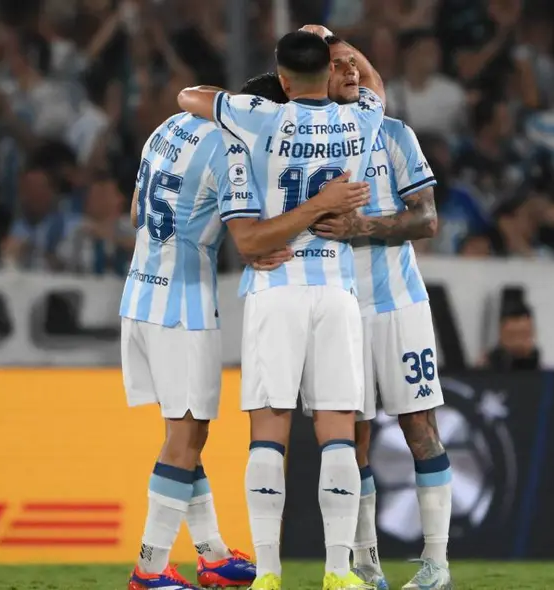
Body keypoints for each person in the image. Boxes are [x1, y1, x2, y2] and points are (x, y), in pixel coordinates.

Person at [123, 75, 368, 589]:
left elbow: (136, 212)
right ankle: (149, 568)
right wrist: (311, 210)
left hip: (138, 292)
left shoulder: (167, 129)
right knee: (185, 437)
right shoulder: (231, 148)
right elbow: (250, 238)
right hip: (182, 306)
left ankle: (211, 554)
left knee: (185, 434)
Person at [177, 29, 385, 590]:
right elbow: (376, 87)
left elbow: (189, 97)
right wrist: (337, 41)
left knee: (268, 434)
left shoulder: (258, 117)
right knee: (339, 431)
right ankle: (338, 573)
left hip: (276, 288)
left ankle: (268, 573)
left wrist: (267, 93)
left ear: (283, 78)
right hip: (336, 290)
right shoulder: (361, 119)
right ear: (332, 71)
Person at [306, 33, 453, 590]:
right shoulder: (305, 146)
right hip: (338, 310)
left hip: (398, 305)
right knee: (354, 438)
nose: (348, 70)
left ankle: (436, 564)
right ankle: (365, 566)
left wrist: (362, 228)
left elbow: (427, 220)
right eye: (334, 64)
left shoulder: (393, 135)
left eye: (352, 63)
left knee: (420, 427)